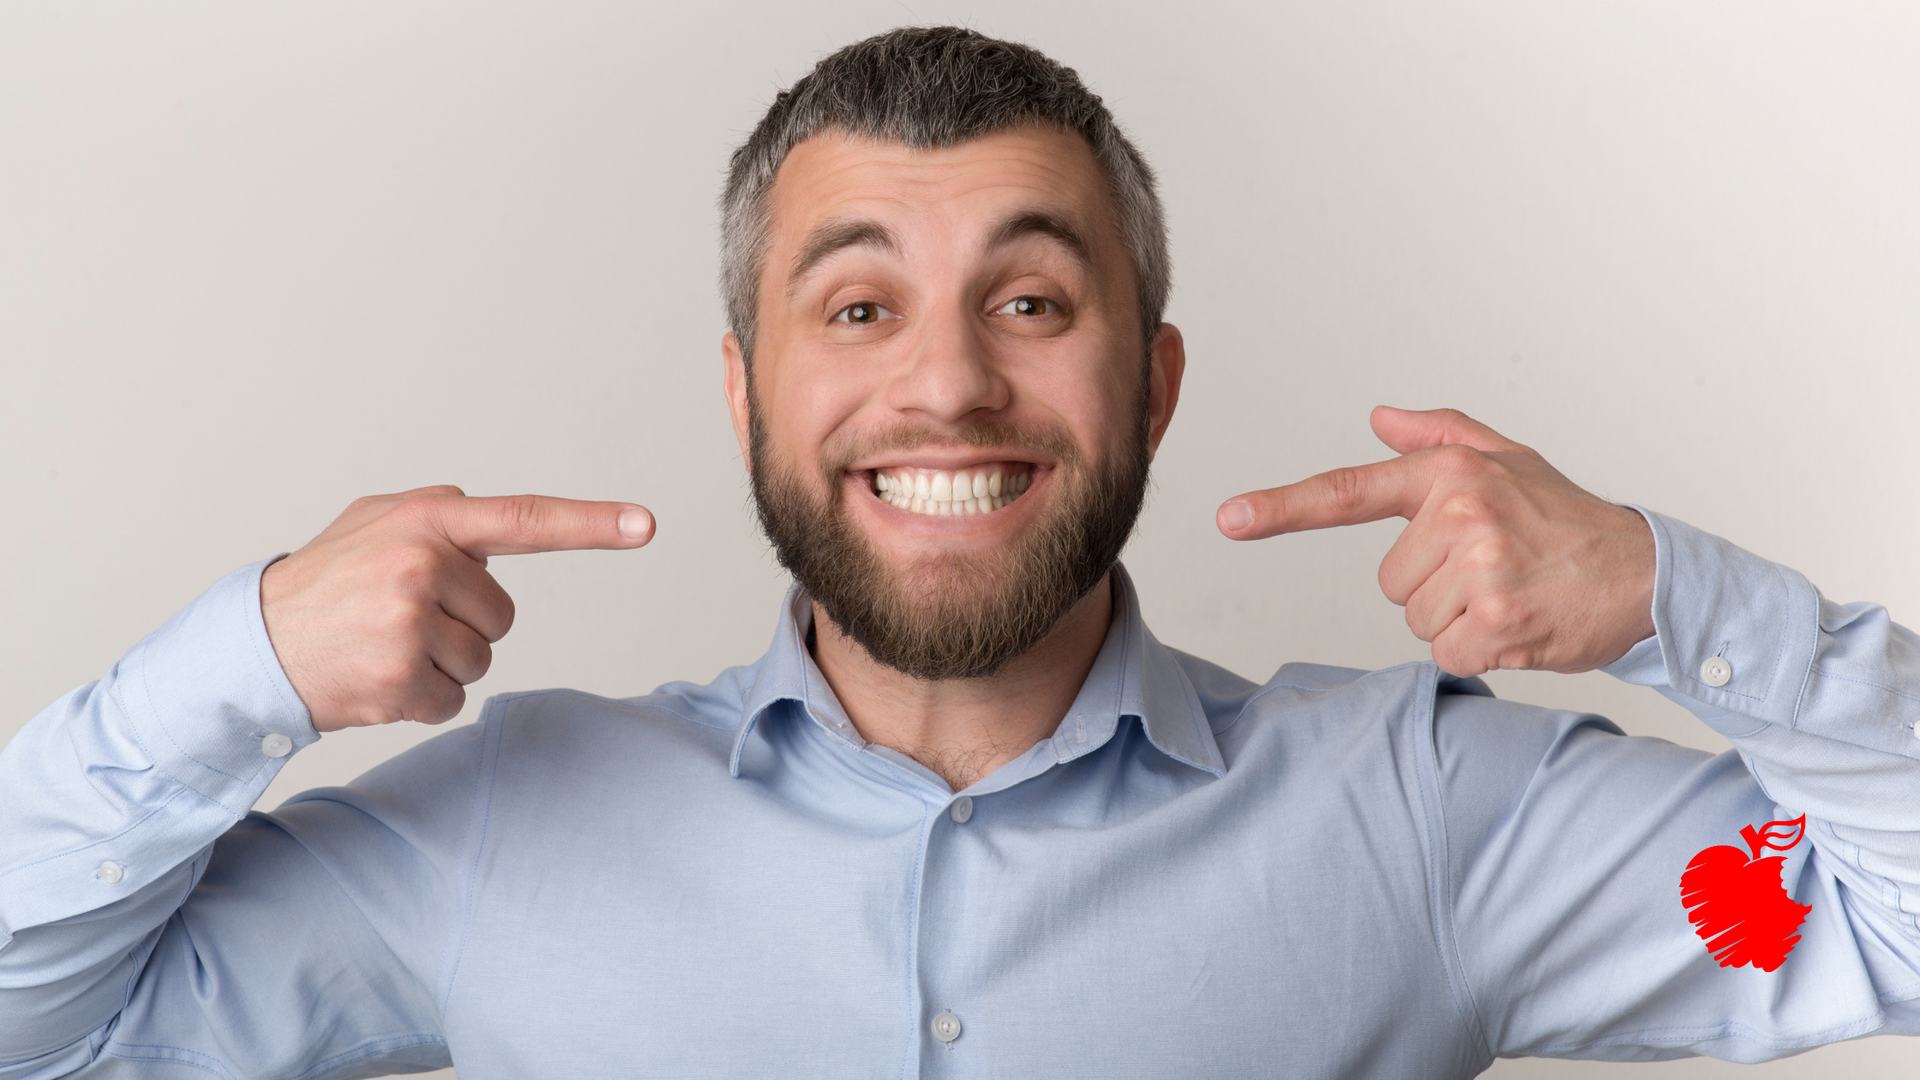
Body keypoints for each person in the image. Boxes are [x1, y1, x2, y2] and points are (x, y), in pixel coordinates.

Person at [1, 25, 1916, 1079]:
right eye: (855, 310)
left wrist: (1677, 598)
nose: (946, 386)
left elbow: (1863, 920)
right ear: (745, 392)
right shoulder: (511, 829)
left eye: (1030, 299)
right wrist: (238, 667)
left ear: (1153, 382)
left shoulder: (1435, 822)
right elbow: (40, 1019)